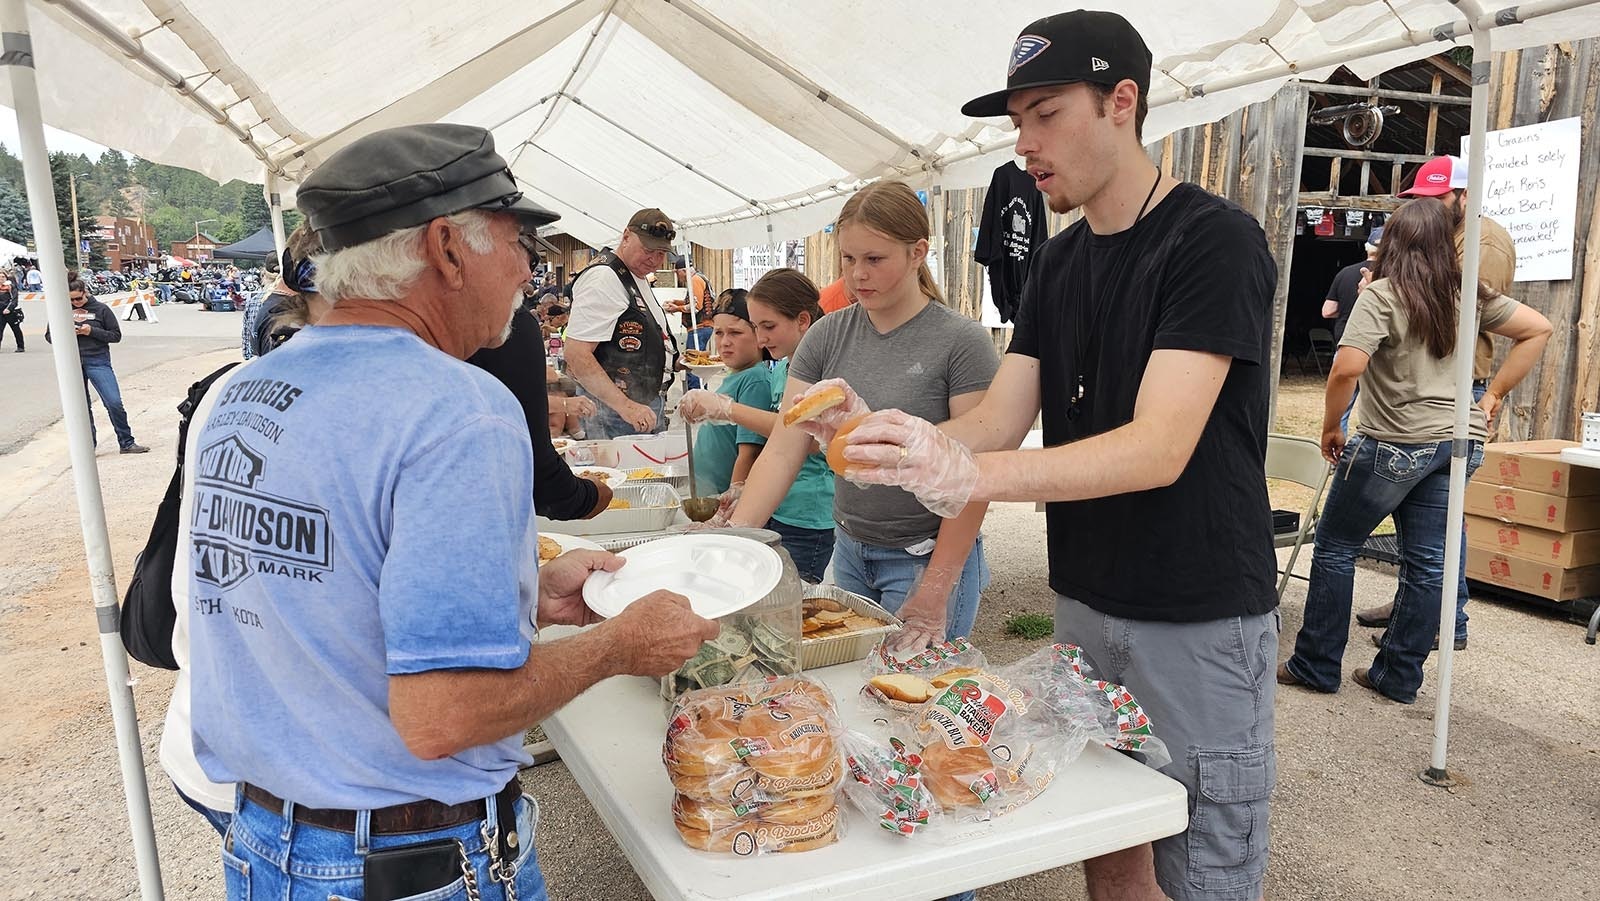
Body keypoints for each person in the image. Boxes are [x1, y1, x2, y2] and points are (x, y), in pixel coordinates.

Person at [185, 123, 718, 901]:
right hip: (406, 863)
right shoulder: (460, 410)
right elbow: (446, 715)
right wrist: (618, 643)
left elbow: (319, 593)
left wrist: (523, 595)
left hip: (267, 845)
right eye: (518, 243)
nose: (527, 272)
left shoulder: (246, 389)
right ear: (446, 247)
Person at [821, 13, 1279, 900]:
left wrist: (969, 472)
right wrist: (890, 440)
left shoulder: (1212, 240)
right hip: (1085, 604)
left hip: (1196, 616)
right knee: (1104, 841)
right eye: (1017, 122)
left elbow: (1158, 447)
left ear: (1121, 101)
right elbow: (998, 416)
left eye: (1045, 114)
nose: (1025, 144)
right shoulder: (1060, 263)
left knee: (1201, 866)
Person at [1278, 197, 1551, 703]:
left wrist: (1331, 426)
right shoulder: (1467, 293)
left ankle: (1317, 664)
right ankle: (1398, 676)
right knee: (1428, 564)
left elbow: (1345, 368)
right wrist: (1491, 396)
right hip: (1458, 440)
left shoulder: (1383, 295)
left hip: (1395, 441)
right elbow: (1539, 328)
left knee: (1335, 548)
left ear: (1395, 243)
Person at [721, 181, 999, 656]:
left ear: (918, 252)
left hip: (926, 556)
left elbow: (972, 478)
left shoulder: (961, 343)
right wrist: (732, 548)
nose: (857, 276)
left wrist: (934, 593)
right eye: (848, 259)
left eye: (874, 259)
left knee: (910, 701)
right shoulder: (826, 336)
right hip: (848, 549)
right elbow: (784, 450)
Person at [1356, 154, 1518, 639]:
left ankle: (1447, 618)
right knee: (1426, 512)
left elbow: (1457, 311)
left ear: (1464, 197)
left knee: (1437, 515)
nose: (1427, 208)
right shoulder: (1452, 235)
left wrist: (1491, 397)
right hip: (1429, 382)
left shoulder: (1482, 243)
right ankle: (1420, 607)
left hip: (1448, 384)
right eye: (1419, 200)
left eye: (1437, 198)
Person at [678, 269, 837, 582]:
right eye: (756, 326)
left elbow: (808, 440)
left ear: (803, 321)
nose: (761, 337)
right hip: (776, 506)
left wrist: (728, 409)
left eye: (769, 326)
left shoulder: (824, 370)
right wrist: (744, 489)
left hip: (807, 517)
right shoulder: (783, 370)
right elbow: (776, 445)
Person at [563, 208, 680, 438]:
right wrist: (626, 407)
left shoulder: (631, 274)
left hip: (636, 406)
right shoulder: (604, 278)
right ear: (626, 236)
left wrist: (670, 360)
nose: (654, 260)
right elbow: (577, 354)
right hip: (614, 414)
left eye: (661, 253)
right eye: (648, 250)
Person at [682, 289, 773, 500]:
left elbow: (748, 453)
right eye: (719, 332)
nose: (724, 342)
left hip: (721, 497)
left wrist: (731, 501)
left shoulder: (755, 379)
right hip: (706, 492)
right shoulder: (736, 374)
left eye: (735, 333)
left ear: (759, 336)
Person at [45, 278, 149, 454]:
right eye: (71, 300)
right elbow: (49, 336)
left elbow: (115, 335)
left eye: (78, 299)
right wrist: (66, 332)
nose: (75, 303)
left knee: (113, 402)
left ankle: (126, 442)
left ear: (85, 292)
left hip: (97, 359)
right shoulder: (61, 310)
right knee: (81, 406)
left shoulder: (101, 309)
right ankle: (88, 447)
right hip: (72, 362)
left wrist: (91, 331)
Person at [1323, 226, 1381, 433]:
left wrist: (1349, 311)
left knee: (1341, 410)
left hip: (1347, 346)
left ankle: (1334, 454)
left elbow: (1327, 311)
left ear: (1367, 248)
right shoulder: (1392, 275)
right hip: (1380, 351)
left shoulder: (1345, 273)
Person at [0, 268, 22, 352]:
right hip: (0, 312)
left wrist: (9, 308)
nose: (1, 279)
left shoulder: (10, 287)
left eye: (3, 277)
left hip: (10, 311)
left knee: (16, 329)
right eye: (0, 277)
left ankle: (20, 346)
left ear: (6, 278)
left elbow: (14, 299)